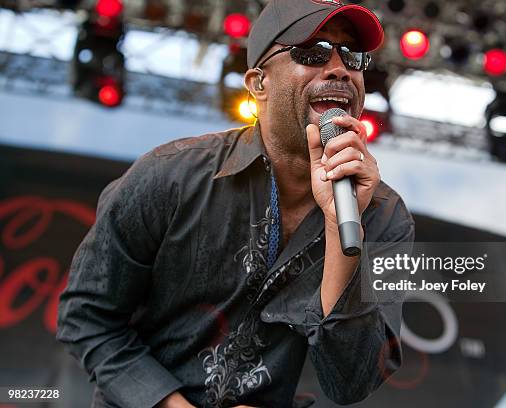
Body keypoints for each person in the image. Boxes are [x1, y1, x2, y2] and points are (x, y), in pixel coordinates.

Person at [56, 0, 415, 407]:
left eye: (352, 56)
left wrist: (339, 229)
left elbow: (352, 382)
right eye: (311, 52)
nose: (338, 69)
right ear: (258, 83)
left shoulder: (384, 216)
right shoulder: (170, 175)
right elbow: (87, 317)